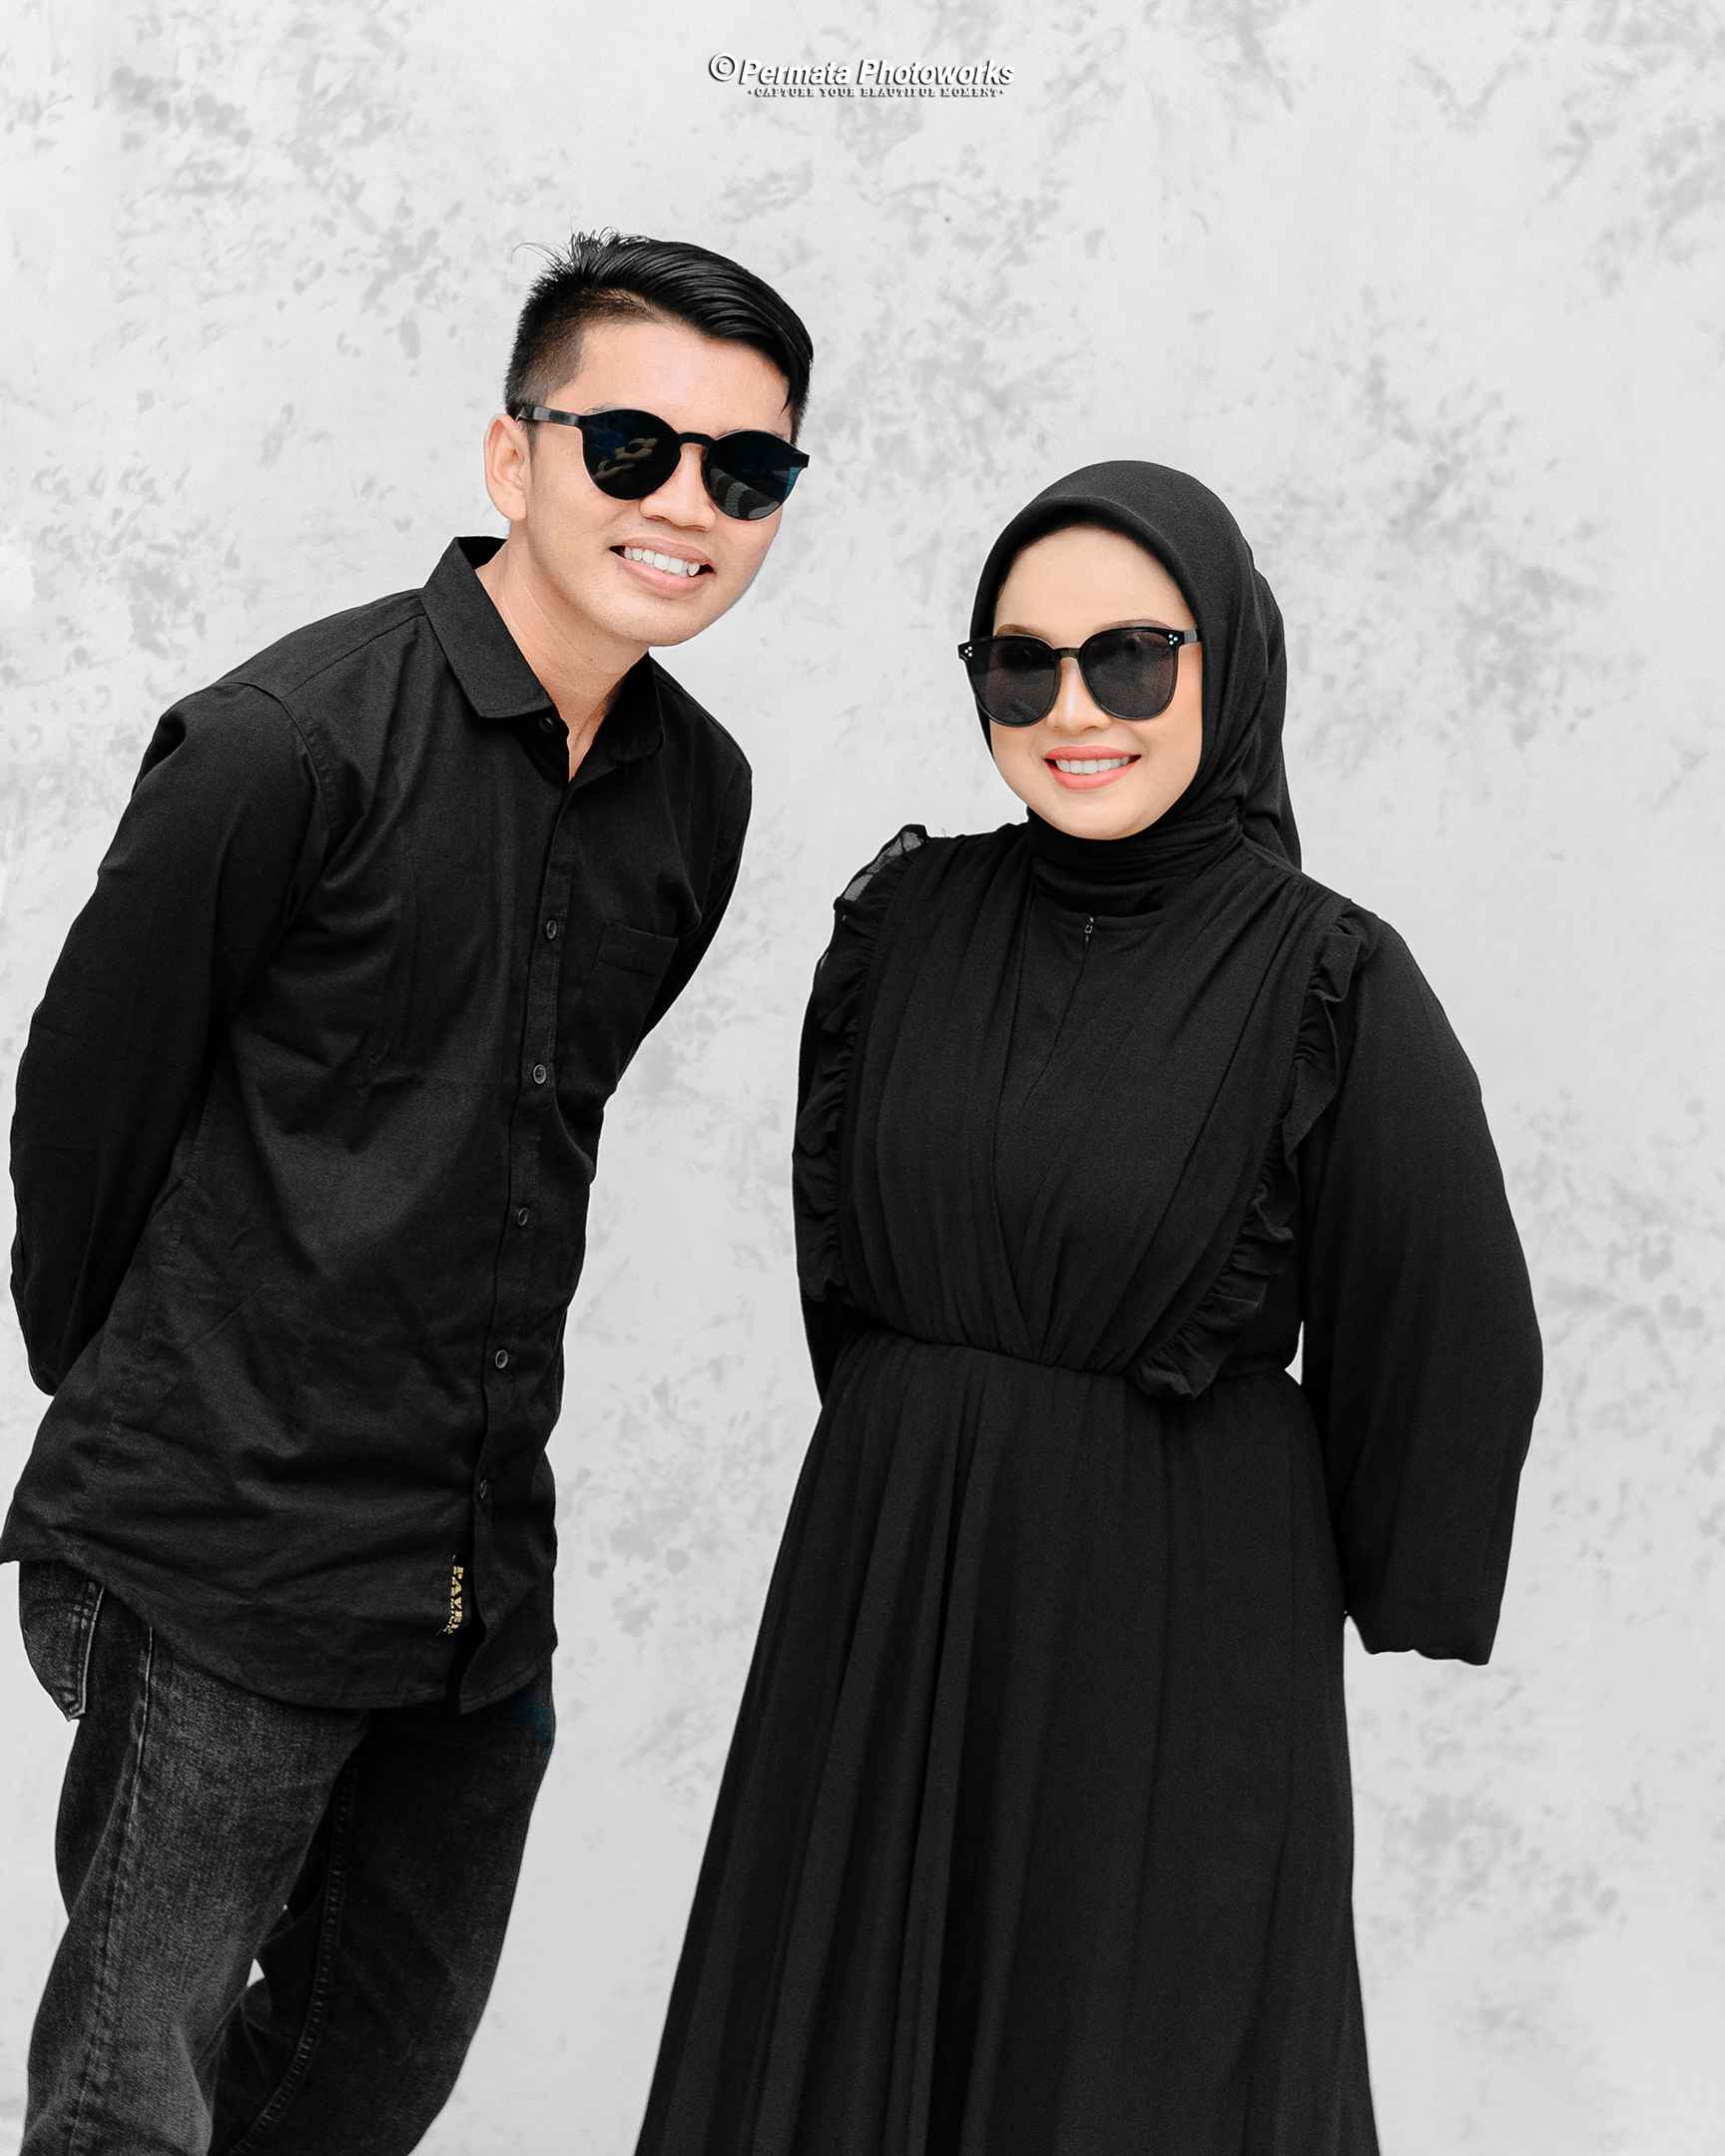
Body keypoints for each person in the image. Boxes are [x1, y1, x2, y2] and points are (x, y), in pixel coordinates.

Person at [3, 229, 813, 2153]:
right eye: (631, 447)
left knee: (359, 2092)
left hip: (475, 1582)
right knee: (132, 2104)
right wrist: (166, 1429)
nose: (684, 504)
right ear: (511, 456)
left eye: (745, 468)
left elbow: (522, 1146)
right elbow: (82, 1115)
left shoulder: (699, 800)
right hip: (223, 1552)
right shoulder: (282, 746)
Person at [629, 460, 1543, 2154]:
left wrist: (1391, 1568)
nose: (1073, 711)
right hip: (889, 1579)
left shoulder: (1330, 977)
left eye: (1130, 658)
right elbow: (845, 1257)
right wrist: (936, 1435)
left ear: (1228, 665)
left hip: (1171, 1618)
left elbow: (1451, 1327)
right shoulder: (904, 926)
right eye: (1021, 665)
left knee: (1129, 2051)